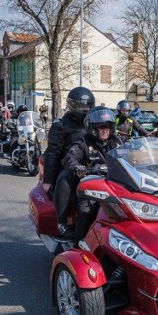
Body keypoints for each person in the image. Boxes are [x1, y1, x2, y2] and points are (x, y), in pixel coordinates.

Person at [61, 106, 122, 243]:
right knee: (87, 211)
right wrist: (77, 166)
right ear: (93, 128)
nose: (105, 129)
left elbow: (130, 155)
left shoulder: (117, 142)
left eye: (108, 126)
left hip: (115, 185)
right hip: (91, 187)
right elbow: (70, 157)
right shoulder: (84, 142)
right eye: (101, 126)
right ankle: (79, 245)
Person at [43, 87, 96, 235]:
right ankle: (62, 221)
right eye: (81, 105)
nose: (85, 109)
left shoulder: (93, 121)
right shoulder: (61, 125)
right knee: (65, 178)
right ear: (72, 105)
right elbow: (53, 152)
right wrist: (48, 180)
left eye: (88, 105)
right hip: (69, 165)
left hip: (93, 164)